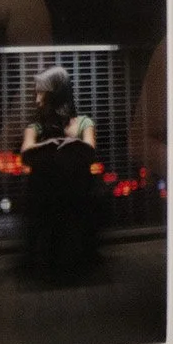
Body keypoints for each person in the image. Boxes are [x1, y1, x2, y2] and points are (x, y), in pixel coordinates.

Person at [19, 65, 105, 284]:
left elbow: (90, 151)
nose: (37, 99)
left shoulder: (84, 123)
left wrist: (69, 145)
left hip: (76, 197)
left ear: (56, 95)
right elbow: (26, 154)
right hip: (46, 199)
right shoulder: (36, 127)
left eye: (42, 93)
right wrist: (49, 145)